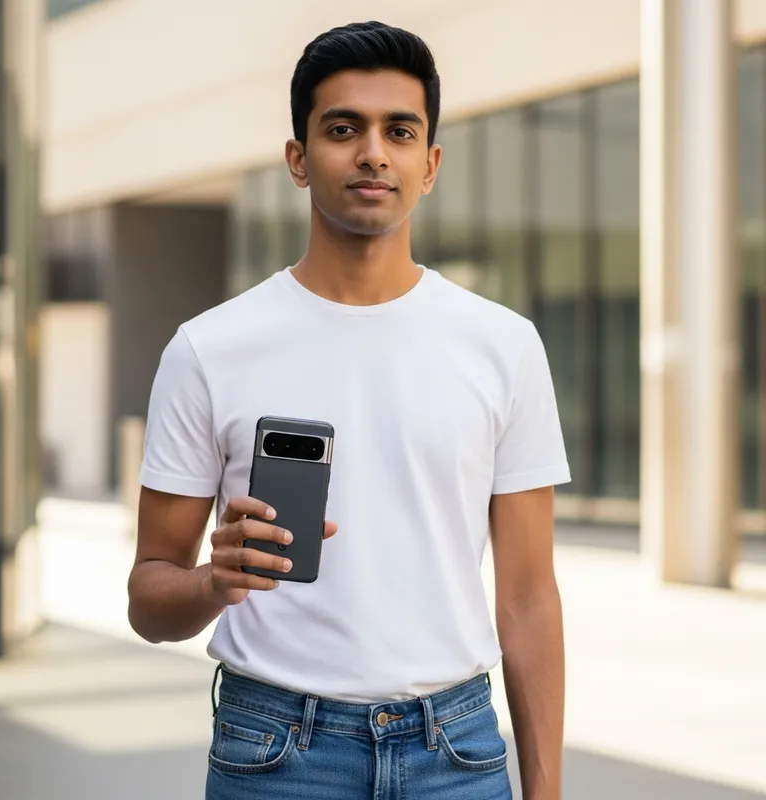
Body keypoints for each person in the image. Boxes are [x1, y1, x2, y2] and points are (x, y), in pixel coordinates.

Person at [127, 20, 570, 800]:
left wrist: (547, 790)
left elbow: (529, 597)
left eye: (399, 131)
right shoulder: (209, 349)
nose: (373, 152)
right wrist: (214, 580)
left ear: (429, 165)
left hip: (458, 753)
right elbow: (148, 599)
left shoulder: (504, 345)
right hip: (275, 752)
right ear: (298, 158)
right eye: (343, 129)